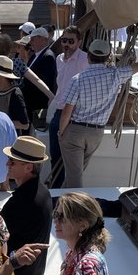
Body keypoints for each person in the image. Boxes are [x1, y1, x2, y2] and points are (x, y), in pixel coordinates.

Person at [59, 33, 138, 187]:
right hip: (96, 134)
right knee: (75, 174)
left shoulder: (78, 79)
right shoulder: (116, 75)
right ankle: (62, 206)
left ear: (88, 55)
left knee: (74, 177)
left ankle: (73, 208)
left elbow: (66, 112)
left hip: (75, 131)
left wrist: (61, 133)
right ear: (108, 56)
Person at [0, 136, 53, 275]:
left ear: (28, 167)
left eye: (12, 162)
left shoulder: (20, 202)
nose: (7, 164)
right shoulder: (43, 192)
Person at [49, 26, 88, 187]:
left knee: (70, 161)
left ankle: (66, 194)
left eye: (71, 41)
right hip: (59, 112)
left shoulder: (85, 60)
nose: (66, 44)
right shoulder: (59, 59)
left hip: (75, 115)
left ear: (79, 42)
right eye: (64, 40)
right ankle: (56, 191)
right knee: (55, 155)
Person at [21, 27, 57, 125]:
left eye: (33, 39)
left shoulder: (48, 57)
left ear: (42, 39)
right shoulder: (34, 55)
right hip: (30, 104)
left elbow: (45, 82)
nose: (30, 42)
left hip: (38, 105)